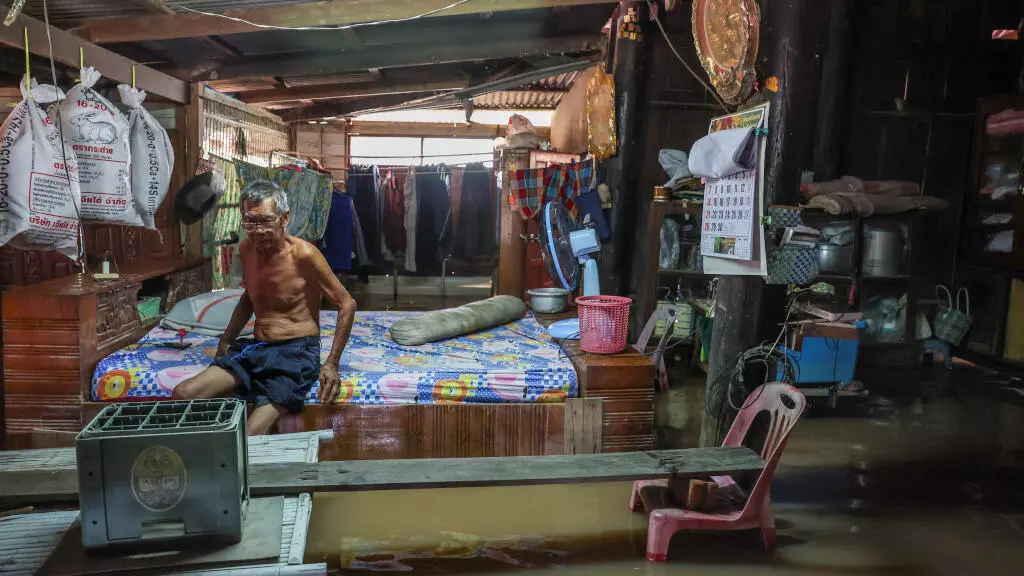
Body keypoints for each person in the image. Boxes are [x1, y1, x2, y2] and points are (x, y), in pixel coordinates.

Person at [173, 180, 356, 435]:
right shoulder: (247, 249)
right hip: (257, 348)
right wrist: (226, 340)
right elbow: (250, 296)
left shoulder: (304, 255)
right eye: (250, 221)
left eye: (266, 221)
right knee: (183, 393)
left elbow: (346, 303)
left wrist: (331, 364)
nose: (258, 230)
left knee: (250, 434)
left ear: (284, 218)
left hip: (296, 353)